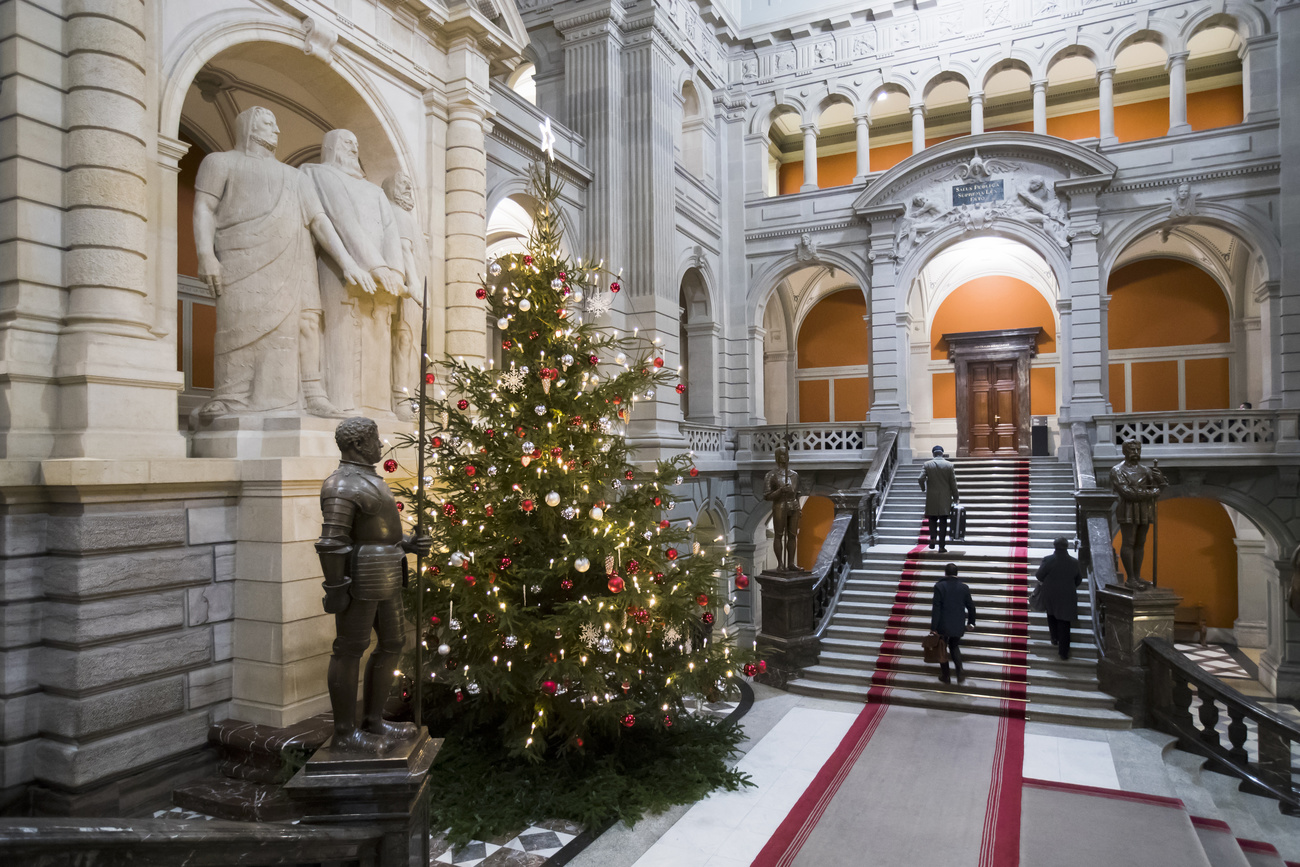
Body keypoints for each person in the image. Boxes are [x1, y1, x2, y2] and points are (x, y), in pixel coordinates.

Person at [316, 417, 431, 754]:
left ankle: (373, 720)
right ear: (356, 445)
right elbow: (332, 542)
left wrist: (408, 543)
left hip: (388, 572)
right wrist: (336, 587)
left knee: (393, 642)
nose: (380, 445)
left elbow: (379, 532)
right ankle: (343, 731)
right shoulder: (341, 485)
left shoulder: (368, 480)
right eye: (375, 440)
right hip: (360, 577)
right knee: (350, 649)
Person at [1110, 440, 1168, 589]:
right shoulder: (1117, 470)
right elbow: (1127, 492)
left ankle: (1137, 575)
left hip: (1144, 509)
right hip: (1128, 509)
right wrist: (1153, 492)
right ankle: (1131, 578)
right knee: (1129, 542)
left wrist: (1160, 481)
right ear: (1124, 451)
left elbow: (1159, 488)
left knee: (1140, 542)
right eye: (1132, 449)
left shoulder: (1146, 470)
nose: (1135, 452)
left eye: (1138, 449)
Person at [1035, 537, 1083, 660]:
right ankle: (1064, 652)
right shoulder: (1074, 562)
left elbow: (1039, 576)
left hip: (1050, 593)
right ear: (1067, 546)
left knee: (1051, 615)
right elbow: (1079, 580)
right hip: (1068, 594)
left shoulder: (1048, 560)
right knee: (1065, 622)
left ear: (1054, 546)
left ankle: (1054, 637)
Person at [930, 563, 976, 684]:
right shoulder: (964, 587)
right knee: (954, 646)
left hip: (943, 623)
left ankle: (946, 676)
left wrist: (933, 627)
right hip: (958, 623)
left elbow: (936, 608)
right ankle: (960, 672)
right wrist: (971, 622)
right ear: (957, 573)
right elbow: (971, 607)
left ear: (945, 573)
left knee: (942, 648)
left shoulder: (939, 586)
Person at [763, 445, 801, 571]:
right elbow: (767, 495)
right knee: (778, 535)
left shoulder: (794, 475)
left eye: (786, 454)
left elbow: (798, 492)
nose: (785, 457)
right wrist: (780, 490)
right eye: (782, 454)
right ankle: (780, 564)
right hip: (780, 505)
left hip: (793, 505)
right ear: (777, 457)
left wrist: (799, 507)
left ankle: (791, 563)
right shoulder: (771, 475)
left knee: (792, 535)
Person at [919, 445, 959, 553]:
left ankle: (932, 538)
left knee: (932, 519)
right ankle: (941, 546)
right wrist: (956, 497)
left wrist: (923, 488)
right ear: (942, 453)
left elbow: (920, 478)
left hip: (931, 497)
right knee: (943, 522)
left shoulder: (927, 464)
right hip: (945, 498)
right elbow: (953, 483)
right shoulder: (949, 465)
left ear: (933, 454)